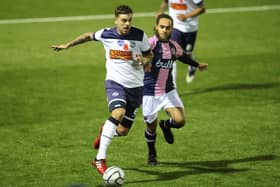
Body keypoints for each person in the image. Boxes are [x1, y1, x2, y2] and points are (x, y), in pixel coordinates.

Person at [51, 5, 153, 174]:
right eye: (123, 20)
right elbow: (87, 36)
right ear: (116, 20)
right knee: (118, 113)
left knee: (123, 130)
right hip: (115, 83)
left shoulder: (140, 35)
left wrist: (144, 59)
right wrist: (67, 45)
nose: (127, 24)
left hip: (136, 87)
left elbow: (150, 55)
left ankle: (104, 129)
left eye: (129, 20)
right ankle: (99, 160)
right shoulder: (107, 34)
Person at [143, 13, 208, 165]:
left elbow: (182, 56)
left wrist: (197, 65)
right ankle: (152, 153)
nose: (165, 30)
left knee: (180, 121)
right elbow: (138, 57)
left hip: (168, 90)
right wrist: (143, 62)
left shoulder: (173, 46)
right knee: (151, 128)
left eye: (168, 27)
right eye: (162, 27)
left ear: (172, 29)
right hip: (150, 93)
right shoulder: (149, 44)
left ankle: (166, 125)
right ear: (156, 27)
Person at [156, 0, 206, 84]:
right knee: (172, 54)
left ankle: (192, 65)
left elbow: (202, 8)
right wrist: (160, 11)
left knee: (187, 53)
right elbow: (165, 1)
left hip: (190, 29)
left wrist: (186, 16)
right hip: (175, 27)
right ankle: (172, 86)